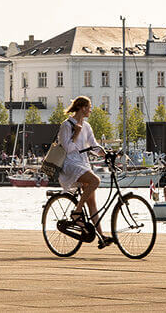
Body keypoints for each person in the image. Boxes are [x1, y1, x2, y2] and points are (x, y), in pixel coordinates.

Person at [57, 96, 113, 248]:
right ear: (82, 108)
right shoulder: (66, 125)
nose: (91, 109)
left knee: (92, 202)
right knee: (95, 181)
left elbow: (94, 146)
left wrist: (107, 153)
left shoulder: (87, 126)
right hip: (70, 165)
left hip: (82, 164)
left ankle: (102, 237)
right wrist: (76, 132)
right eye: (89, 106)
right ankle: (77, 212)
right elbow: (67, 148)